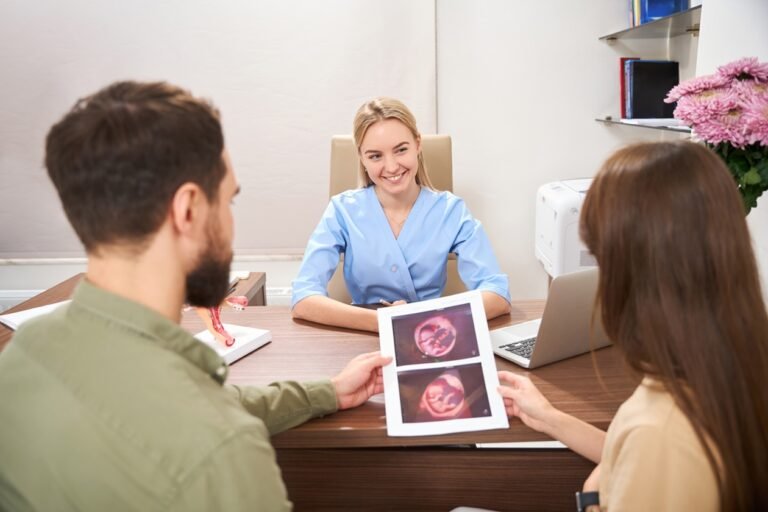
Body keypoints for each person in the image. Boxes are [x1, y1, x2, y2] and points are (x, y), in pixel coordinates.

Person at [0, 81, 391, 511]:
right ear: (188, 210)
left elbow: (199, 403)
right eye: (228, 201)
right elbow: (201, 419)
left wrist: (328, 393)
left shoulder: (23, 356)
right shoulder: (223, 455)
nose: (230, 222)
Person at [498, 141, 768, 511]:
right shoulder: (731, 367)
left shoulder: (659, 431)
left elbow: (648, 453)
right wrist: (551, 419)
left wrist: (592, 497)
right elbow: (636, 461)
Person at [291, 97, 511, 332]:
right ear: (362, 158)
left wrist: (418, 318)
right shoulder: (342, 211)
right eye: (375, 156)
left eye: (401, 150)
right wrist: (384, 322)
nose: (392, 166)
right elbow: (303, 298)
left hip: (433, 335)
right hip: (363, 336)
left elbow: (497, 295)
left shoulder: (451, 211)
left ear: (417, 144)